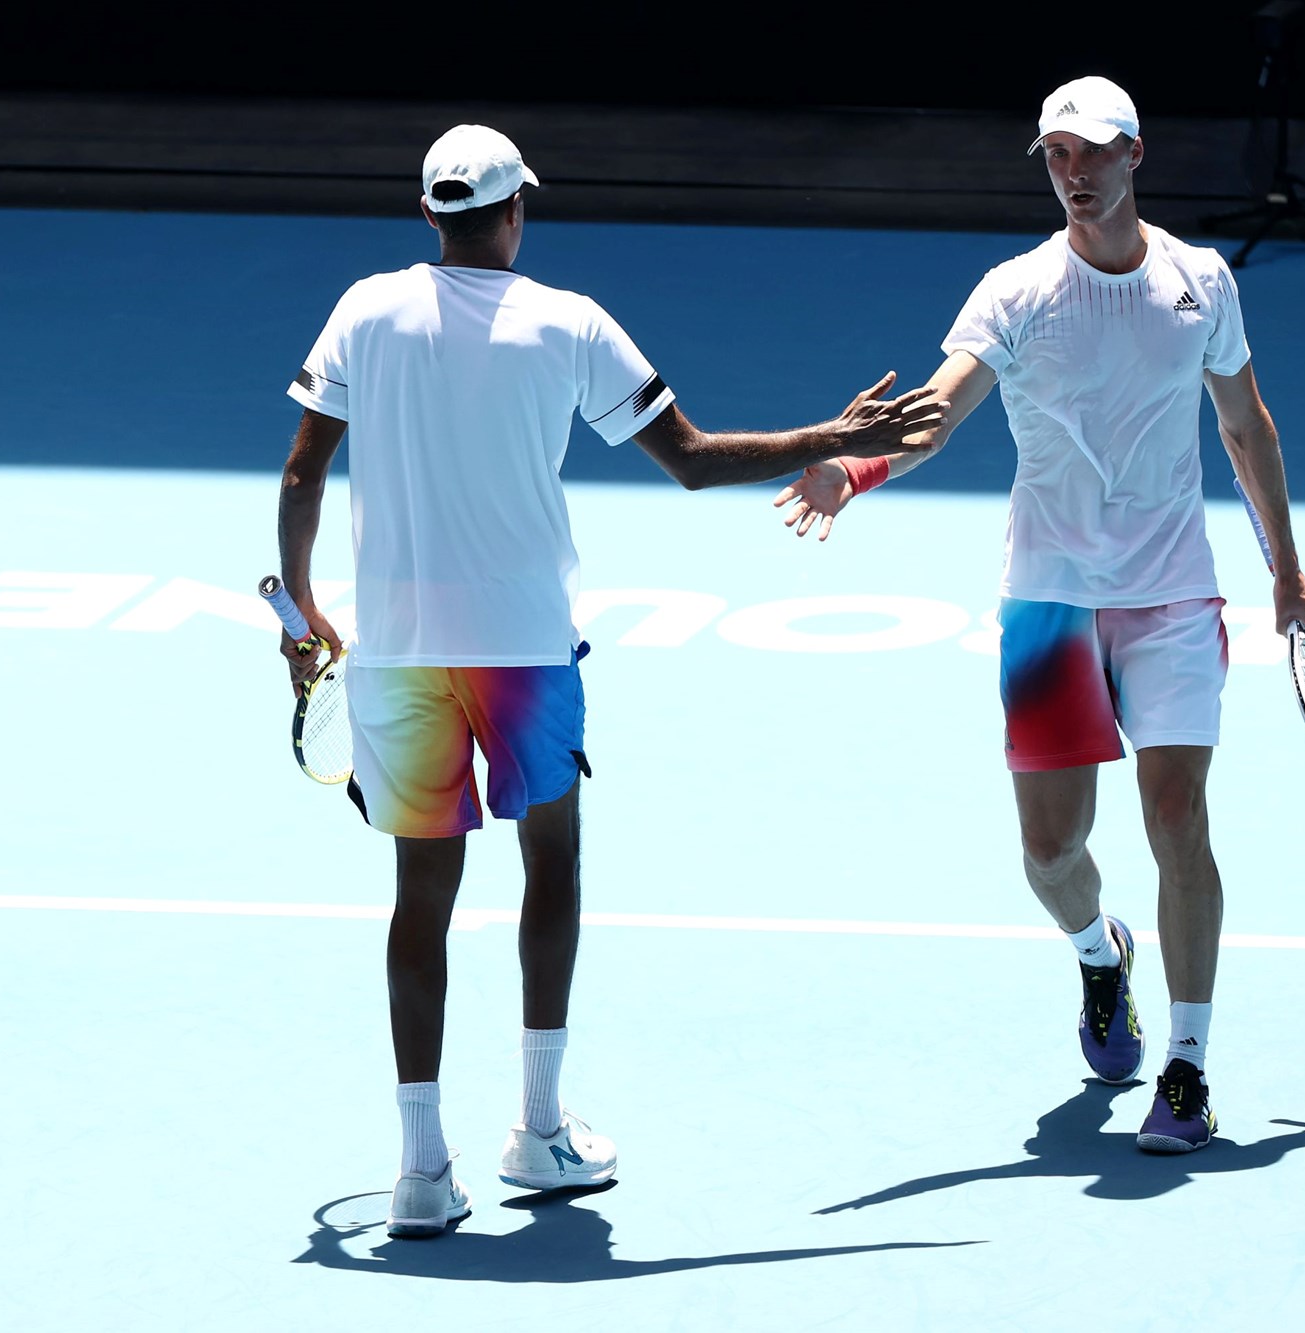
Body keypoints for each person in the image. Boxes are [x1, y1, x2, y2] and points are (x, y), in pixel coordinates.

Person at [276, 124, 946, 1237]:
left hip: (395, 648)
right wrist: (832, 433)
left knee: (419, 903)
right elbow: (687, 460)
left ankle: (417, 1169)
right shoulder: (567, 320)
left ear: (433, 215)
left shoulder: (362, 309)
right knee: (553, 861)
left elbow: (304, 469)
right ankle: (538, 1131)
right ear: (514, 212)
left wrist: (303, 608)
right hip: (525, 645)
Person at [772, 76, 1305, 1154]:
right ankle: (1095, 952)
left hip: (1169, 591)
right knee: (1048, 849)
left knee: (1177, 817)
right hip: (1049, 598)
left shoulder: (1199, 281)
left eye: (1090, 154)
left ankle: (1187, 1066)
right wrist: (857, 467)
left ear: (1134, 157)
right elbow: (935, 415)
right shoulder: (1014, 293)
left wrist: (1286, 573)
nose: (1072, 174)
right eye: (1055, 157)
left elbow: (1245, 427)